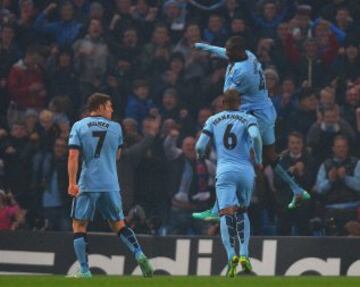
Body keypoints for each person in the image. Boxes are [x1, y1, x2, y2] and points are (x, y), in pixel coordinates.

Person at [193, 35, 310, 217]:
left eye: (230, 52)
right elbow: (225, 53)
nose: (227, 54)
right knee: (271, 157)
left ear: (238, 52)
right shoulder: (249, 55)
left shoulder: (243, 73)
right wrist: (206, 47)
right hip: (266, 110)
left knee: (231, 157)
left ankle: (219, 209)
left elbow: (228, 96)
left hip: (255, 117)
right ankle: (297, 190)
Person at [67, 93, 153, 278]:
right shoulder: (116, 128)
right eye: (109, 106)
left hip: (88, 184)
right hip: (111, 184)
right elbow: (117, 156)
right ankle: (139, 253)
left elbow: (73, 155)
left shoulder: (79, 126)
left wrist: (72, 183)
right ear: (98, 107)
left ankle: (84, 270)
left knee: (79, 225)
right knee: (119, 224)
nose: (111, 110)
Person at [195, 89, 263, 276]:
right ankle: (244, 253)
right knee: (242, 211)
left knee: (225, 213)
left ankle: (231, 254)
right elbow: (256, 137)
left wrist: (200, 155)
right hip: (245, 171)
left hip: (224, 170)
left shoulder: (213, 120)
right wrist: (258, 157)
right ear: (239, 102)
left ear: (223, 102)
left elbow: (200, 145)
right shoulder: (248, 119)